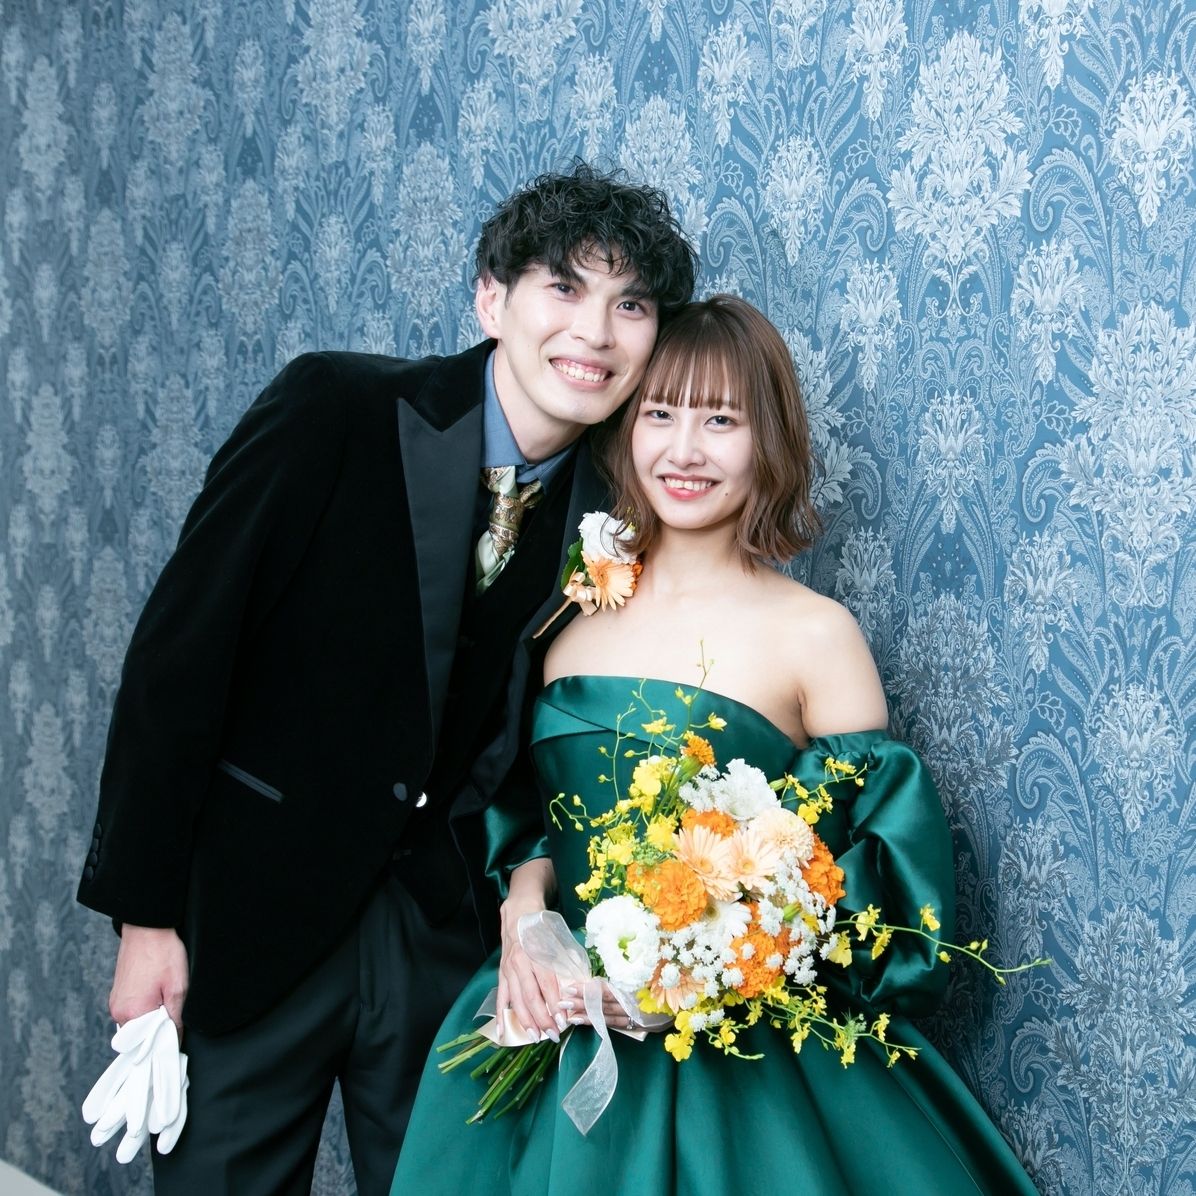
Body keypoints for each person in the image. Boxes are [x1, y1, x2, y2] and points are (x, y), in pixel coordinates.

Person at [76, 163, 696, 1194]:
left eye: (629, 304)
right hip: (259, 904)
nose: (594, 332)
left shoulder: (625, 514)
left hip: (445, 936)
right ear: (490, 299)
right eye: (564, 287)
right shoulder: (336, 407)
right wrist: (145, 917)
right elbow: (179, 657)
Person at [391, 295, 1039, 1194]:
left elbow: (870, 888)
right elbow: (524, 811)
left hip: (744, 1065)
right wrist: (527, 917)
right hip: (553, 1014)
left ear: (767, 439)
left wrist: (689, 978)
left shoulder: (816, 635)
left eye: (721, 421)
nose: (684, 450)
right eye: (660, 414)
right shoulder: (568, 610)